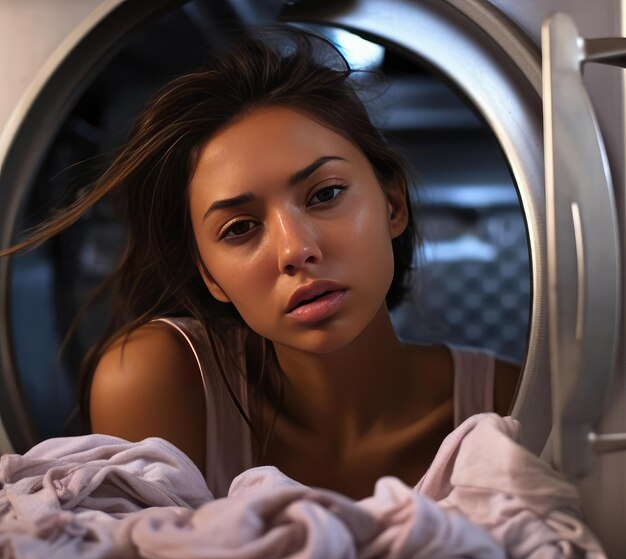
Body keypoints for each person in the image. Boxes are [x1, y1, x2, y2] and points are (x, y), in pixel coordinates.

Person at [2, 27, 520, 500]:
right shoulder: (157, 380)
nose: (296, 250)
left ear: (392, 205)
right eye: (241, 228)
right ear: (209, 275)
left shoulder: (504, 401)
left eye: (326, 194)